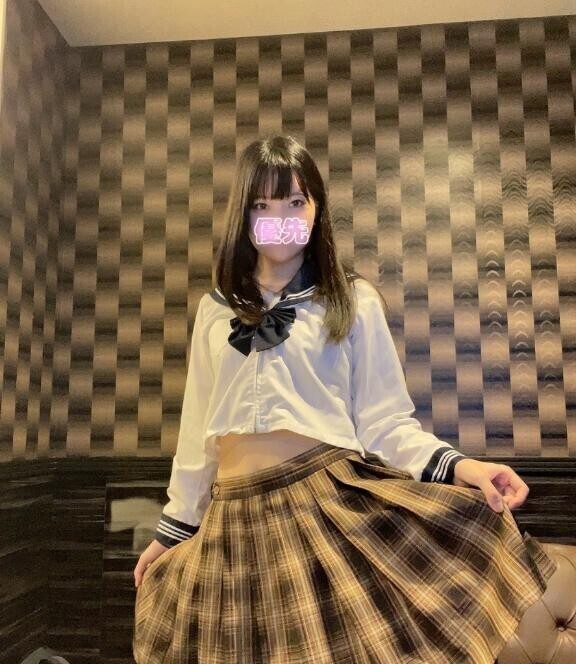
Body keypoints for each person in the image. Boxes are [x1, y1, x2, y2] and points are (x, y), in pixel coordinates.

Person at [133, 135, 557, 663]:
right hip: (233, 518)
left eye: (295, 202)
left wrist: (463, 468)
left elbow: (385, 423)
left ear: (316, 210)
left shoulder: (353, 301)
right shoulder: (215, 310)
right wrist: (174, 530)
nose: (280, 218)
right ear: (243, 215)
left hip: (324, 503)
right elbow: (199, 433)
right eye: (262, 205)